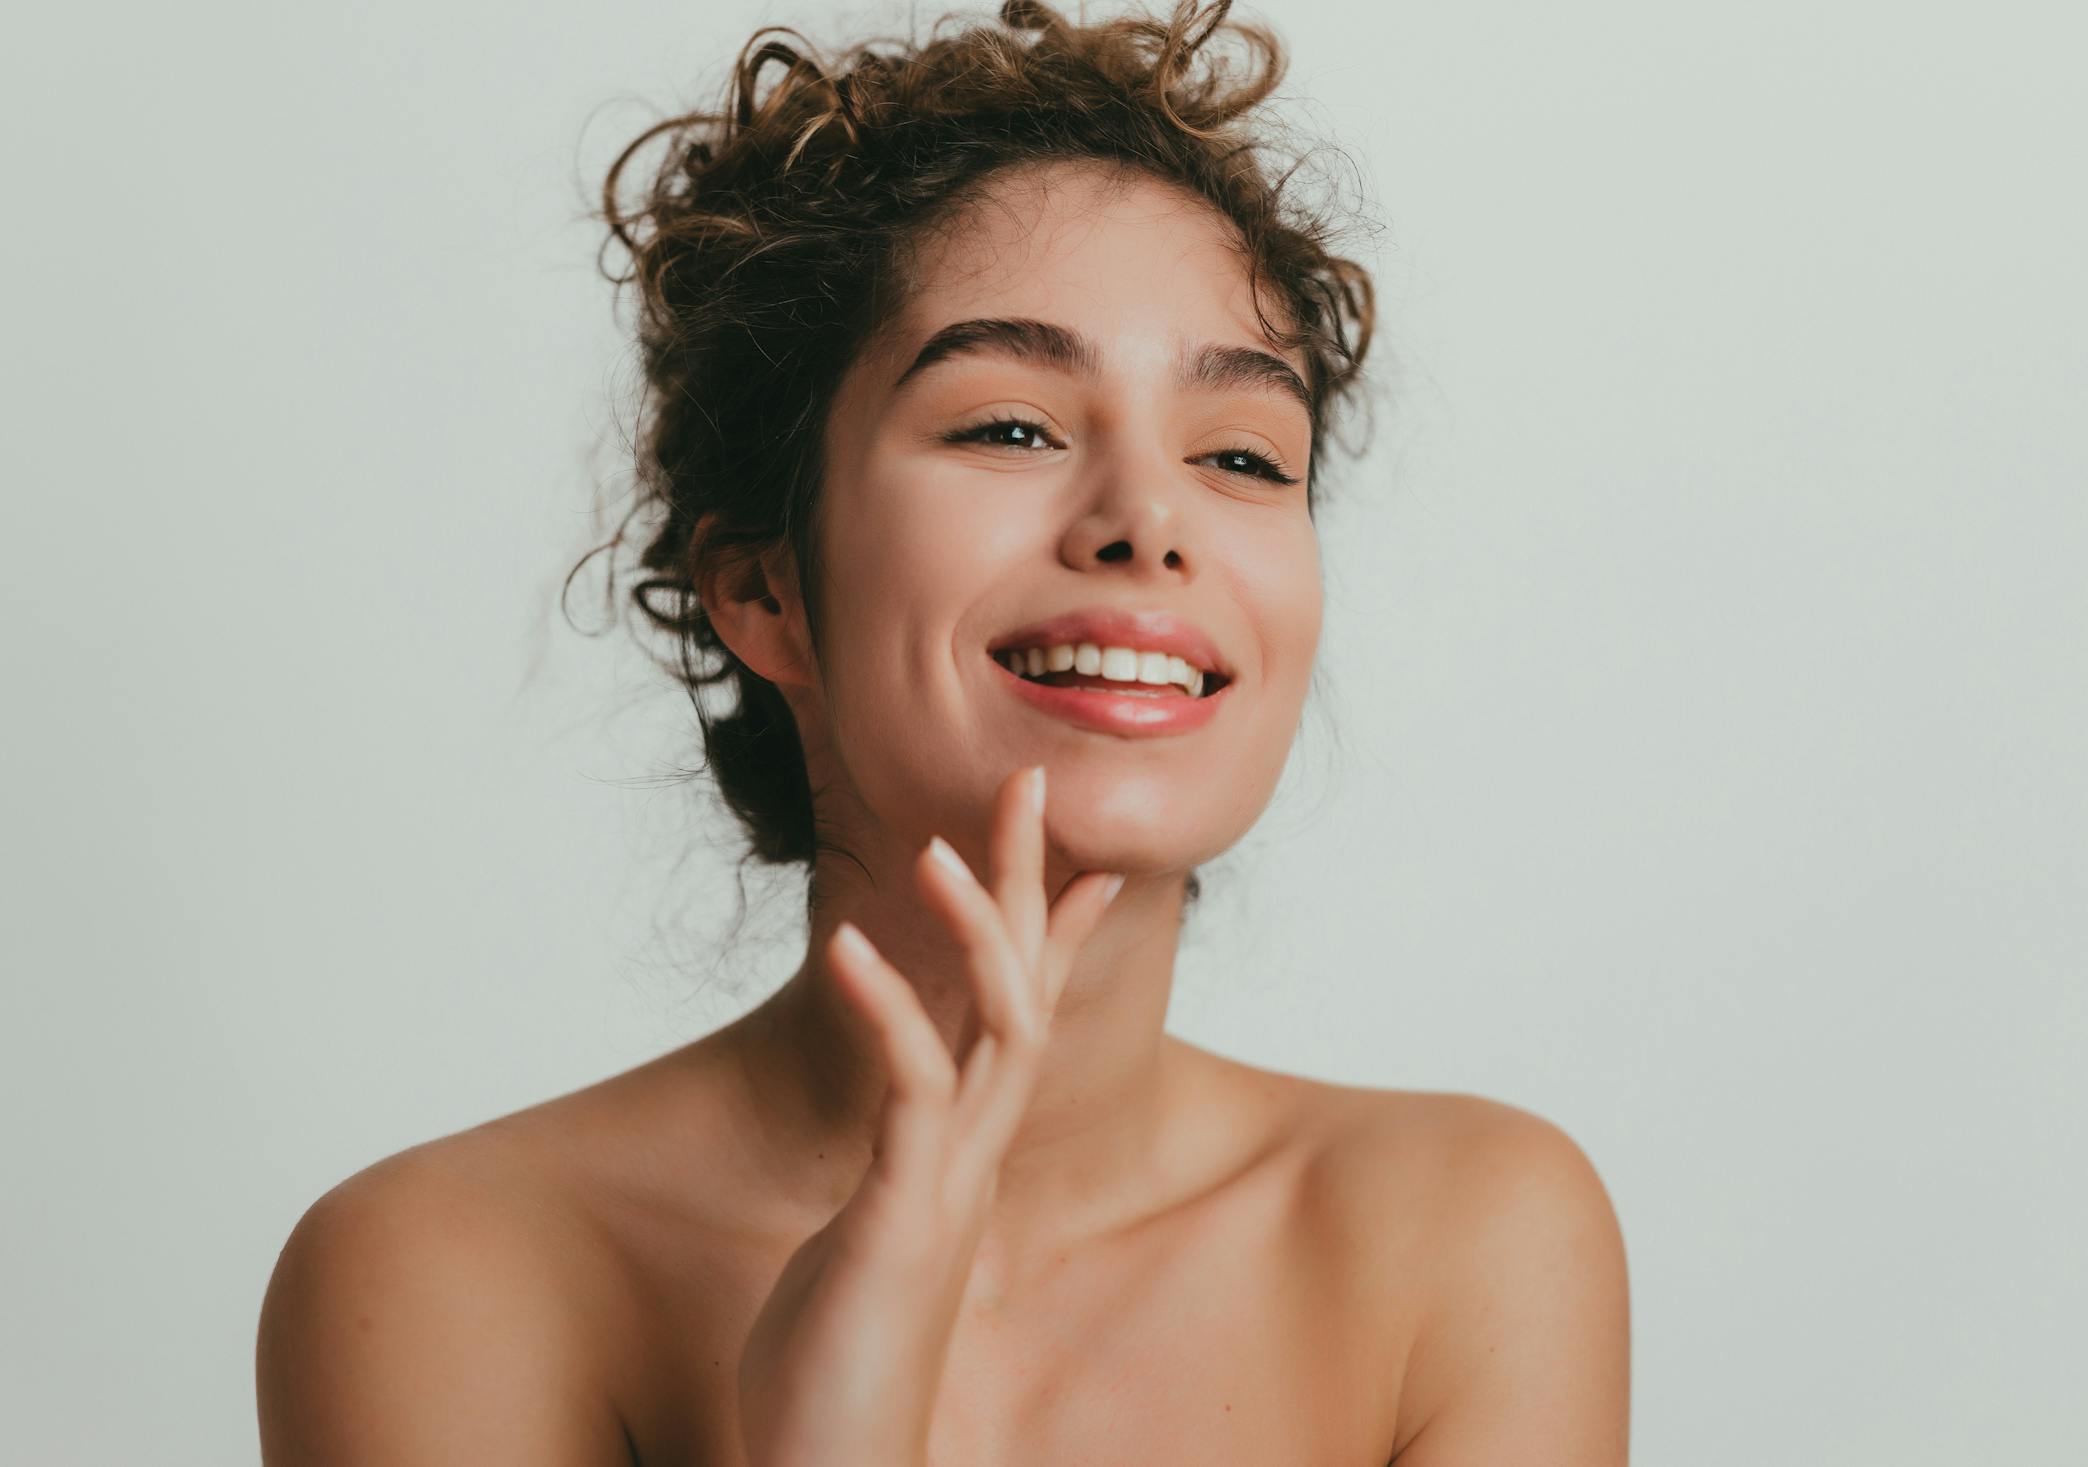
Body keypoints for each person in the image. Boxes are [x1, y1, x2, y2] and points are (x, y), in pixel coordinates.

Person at [254, 3, 1630, 1462]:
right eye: (1011, 427)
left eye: (1241, 455)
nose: (1150, 524)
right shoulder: (444, 1274)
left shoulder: (1470, 1245)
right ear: (764, 588)